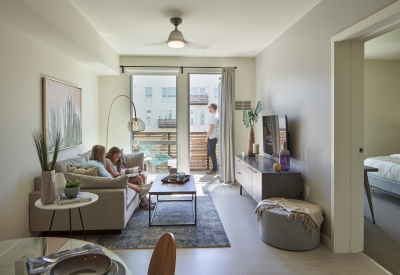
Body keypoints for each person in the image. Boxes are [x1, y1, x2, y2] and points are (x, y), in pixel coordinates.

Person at [90, 145, 154, 209]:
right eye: (104, 153)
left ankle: (143, 196)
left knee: (141, 175)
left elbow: (122, 170)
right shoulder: (106, 161)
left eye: (119, 157)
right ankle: (143, 200)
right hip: (116, 178)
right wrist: (128, 172)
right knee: (139, 178)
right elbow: (114, 175)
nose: (105, 154)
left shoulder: (111, 162)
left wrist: (133, 170)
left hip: (119, 177)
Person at [204, 103, 219, 175]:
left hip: (212, 137)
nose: (209, 109)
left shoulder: (213, 117)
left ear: (212, 108)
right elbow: (214, 128)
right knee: (211, 153)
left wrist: (207, 137)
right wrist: (208, 131)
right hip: (214, 137)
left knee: (211, 153)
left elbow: (212, 128)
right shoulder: (216, 116)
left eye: (209, 108)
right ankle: (215, 168)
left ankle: (215, 169)